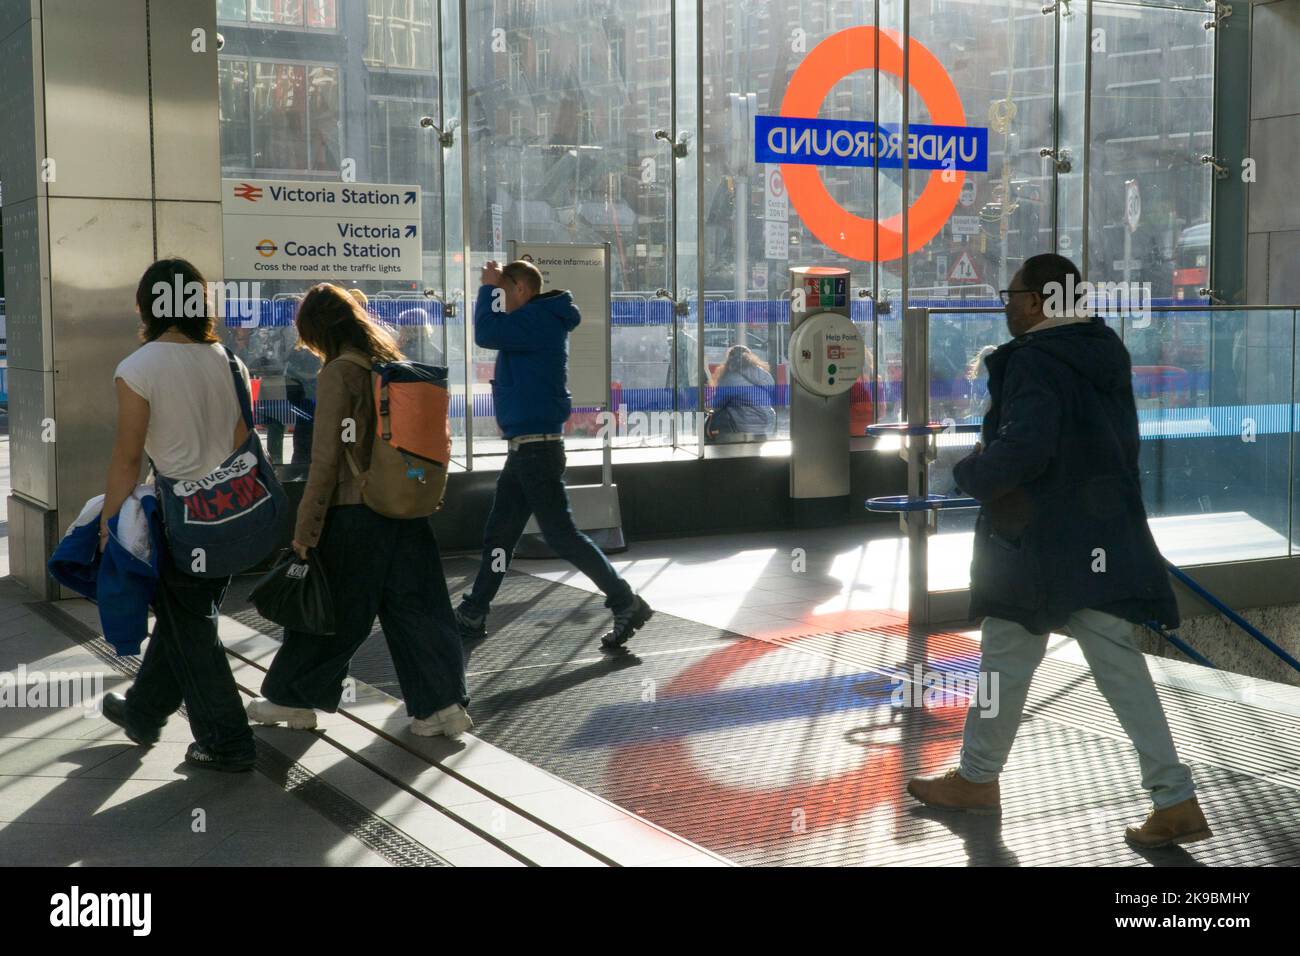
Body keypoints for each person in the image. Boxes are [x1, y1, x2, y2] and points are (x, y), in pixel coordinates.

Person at [906, 253, 1210, 849]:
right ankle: (1168, 797)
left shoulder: (1035, 362)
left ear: (1044, 301)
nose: (1008, 304)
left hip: (1037, 542)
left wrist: (968, 472)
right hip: (1096, 533)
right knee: (1089, 662)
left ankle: (980, 780)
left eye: (1013, 294)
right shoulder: (1102, 351)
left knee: (1012, 656)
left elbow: (1028, 446)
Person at [246, 283, 471, 738]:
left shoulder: (339, 373)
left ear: (316, 329)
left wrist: (305, 533)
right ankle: (442, 708)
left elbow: (326, 461)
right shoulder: (388, 365)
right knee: (420, 610)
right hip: (404, 508)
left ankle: (293, 699)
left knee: (332, 612)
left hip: (356, 513)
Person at [100, 257, 259, 772]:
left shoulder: (138, 368)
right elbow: (241, 445)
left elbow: (127, 458)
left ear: (146, 305)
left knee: (193, 631)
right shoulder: (228, 361)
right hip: (230, 514)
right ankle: (144, 713)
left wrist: (110, 526)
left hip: (179, 518)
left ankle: (229, 741)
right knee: (183, 619)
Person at [454, 259, 653, 649]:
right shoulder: (533, 322)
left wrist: (489, 287)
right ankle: (475, 609)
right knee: (501, 534)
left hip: (537, 451)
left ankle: (625, 600)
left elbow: (486, 332)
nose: (501, 298)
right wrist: (497, 287)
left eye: (505, 291)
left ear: (522, 289)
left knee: (561, 535)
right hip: (525, 449)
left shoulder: (538, 321)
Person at [705, 345, 777, 441]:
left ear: (729, 360)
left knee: (719, 417)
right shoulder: (764, 374)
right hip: (766, 423)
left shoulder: (730, 378)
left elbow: (717, 404)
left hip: (743, 426)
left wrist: (706, 405)